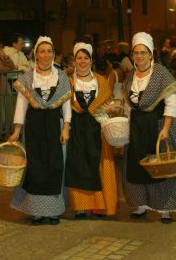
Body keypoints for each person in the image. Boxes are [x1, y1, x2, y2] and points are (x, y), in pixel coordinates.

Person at [122, 32, 176, 224]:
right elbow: (128, 105)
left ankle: (165, 208)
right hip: (137, 127)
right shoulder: (130, 76)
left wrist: (165, 128)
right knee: (137, 167)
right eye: (136, 53)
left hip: (157, 125)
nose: (139, 56)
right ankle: (141, 205)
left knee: (161, 167)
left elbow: (172, 104)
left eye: (143, 52)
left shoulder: (161, 74)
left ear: (150, 54)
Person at [8, 36, 72, 225]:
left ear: (53, 54)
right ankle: (36, 211)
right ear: (36, 54)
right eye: (42, 51)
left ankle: (53, 211)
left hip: (54, 124)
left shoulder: (61, 77)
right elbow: (21, 106)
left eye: (49, 51)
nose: (46, 55)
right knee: (35, 167)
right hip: (34, 125)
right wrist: (16, 131)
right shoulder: (27, 78)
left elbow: (67, 105)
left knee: (55, 166)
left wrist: (66, 127)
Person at [65, 42, 118, 219]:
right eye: (79, 58)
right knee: (78, 167)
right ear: (74, 60)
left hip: (97, 128)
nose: (82, 61)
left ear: (91, 60)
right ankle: (80, 207)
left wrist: (109, 110)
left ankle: (99, 205)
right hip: (77, 129)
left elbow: (105, 105)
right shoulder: (69, 82)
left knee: (98, 166)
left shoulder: (101, 81)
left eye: (86, 58)